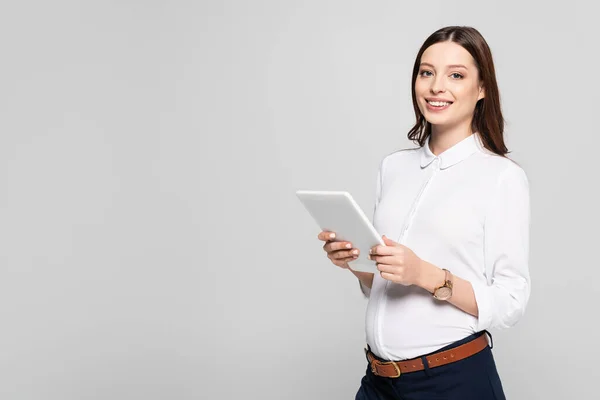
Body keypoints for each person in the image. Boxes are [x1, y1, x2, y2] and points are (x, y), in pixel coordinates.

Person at [317, 26, 530, 399]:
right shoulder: (393, 168)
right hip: (379, 381)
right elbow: (381, 284)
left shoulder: (501, 177)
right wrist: (354, 263)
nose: (436, 87)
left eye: (456, 75)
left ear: (482, 89)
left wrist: (425, 274)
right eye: (426, 72)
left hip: (452, 382)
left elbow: (511, 301)